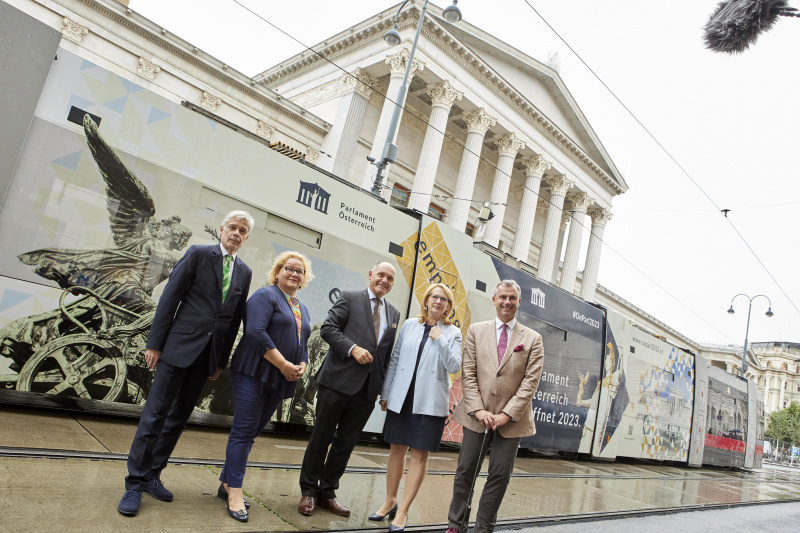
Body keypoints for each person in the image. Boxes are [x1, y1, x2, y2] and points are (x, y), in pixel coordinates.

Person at [117, 210, 254, 517]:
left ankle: (153, 474)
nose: (236, 233)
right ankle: (134, 485)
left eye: (242, 230)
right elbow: (170, 298)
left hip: (206, 358)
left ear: (246, 238)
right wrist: (155, 344)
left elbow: (231, 322)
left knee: (177, 420)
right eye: (232, 227)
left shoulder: (243, 272)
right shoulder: (198, 254)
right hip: (177, 349)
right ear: (222, 229)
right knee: (155, 415)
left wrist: (219, 360)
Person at [297, 261, 400, 517]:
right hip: (337, 383)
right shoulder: (350, 297)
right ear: (370, 274)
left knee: (345, 444)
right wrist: (352, 348)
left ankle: (327, 493)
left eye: (390, 278)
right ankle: (308, 491)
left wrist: (382, 389)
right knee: (321, 437)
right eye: (381, 275)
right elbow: (329, 329)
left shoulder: (395, 315)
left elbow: (385, 356)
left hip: (366, 391)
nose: (384, 280)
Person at [217, 251, 313, 522]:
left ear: (304, 278)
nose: (294, 274)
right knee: (243, 431)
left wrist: (302, 363)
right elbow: (255, 333)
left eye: (299, 271)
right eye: (288, 269)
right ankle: (235, 491)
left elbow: (302, 342)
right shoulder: (265, 295)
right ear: (278, 271)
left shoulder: (300, 307)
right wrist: (283, 363)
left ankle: (226, 483)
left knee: (252, 432)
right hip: (254, 372)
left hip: (279, 377)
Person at [445, 280, 544, 533]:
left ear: (519, 302)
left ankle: (483, 528)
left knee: (499, 477)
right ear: (494, 300)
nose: (507, 302)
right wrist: (478, 410)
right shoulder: (476, 331)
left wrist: (507, 414)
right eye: (502, 297)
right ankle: (456, 525)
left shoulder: (533, 339)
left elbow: (530, 382)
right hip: (476, 416)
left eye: (512, 298)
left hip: (511, 422)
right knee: (465, 471)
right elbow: (468, 373)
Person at [371, 283, 462, 533]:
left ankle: (403, 511)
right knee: (396, 450)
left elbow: (454, 366)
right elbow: (396, 359)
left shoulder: (452, 332)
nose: (438, 301)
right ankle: (390, 501)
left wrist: (440, 339)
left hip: (429, 402)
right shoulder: (410, 325)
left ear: (448, 306)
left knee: (420, 456)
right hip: (403, 397)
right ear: (426, 300)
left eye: (444, 299)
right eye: (434, 296)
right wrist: (386, 392)